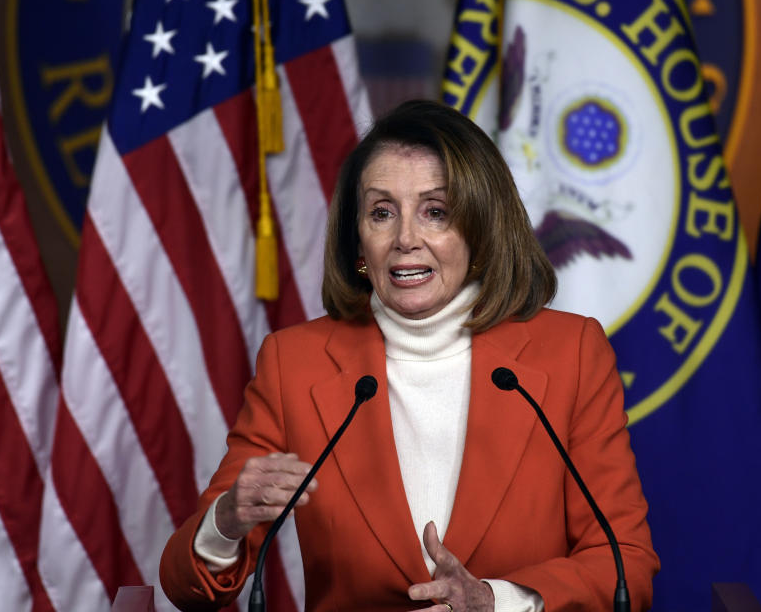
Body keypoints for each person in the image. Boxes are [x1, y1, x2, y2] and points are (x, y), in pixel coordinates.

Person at [160, 100, 659, 611]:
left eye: (435, 212)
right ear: (358, 242)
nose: (404, 239)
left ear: (482, 229)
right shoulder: (294, 364)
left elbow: (625, 565)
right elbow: (185, 587)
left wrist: (494, 602)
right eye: (382, 212)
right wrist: (226, 520)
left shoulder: (570, 355)